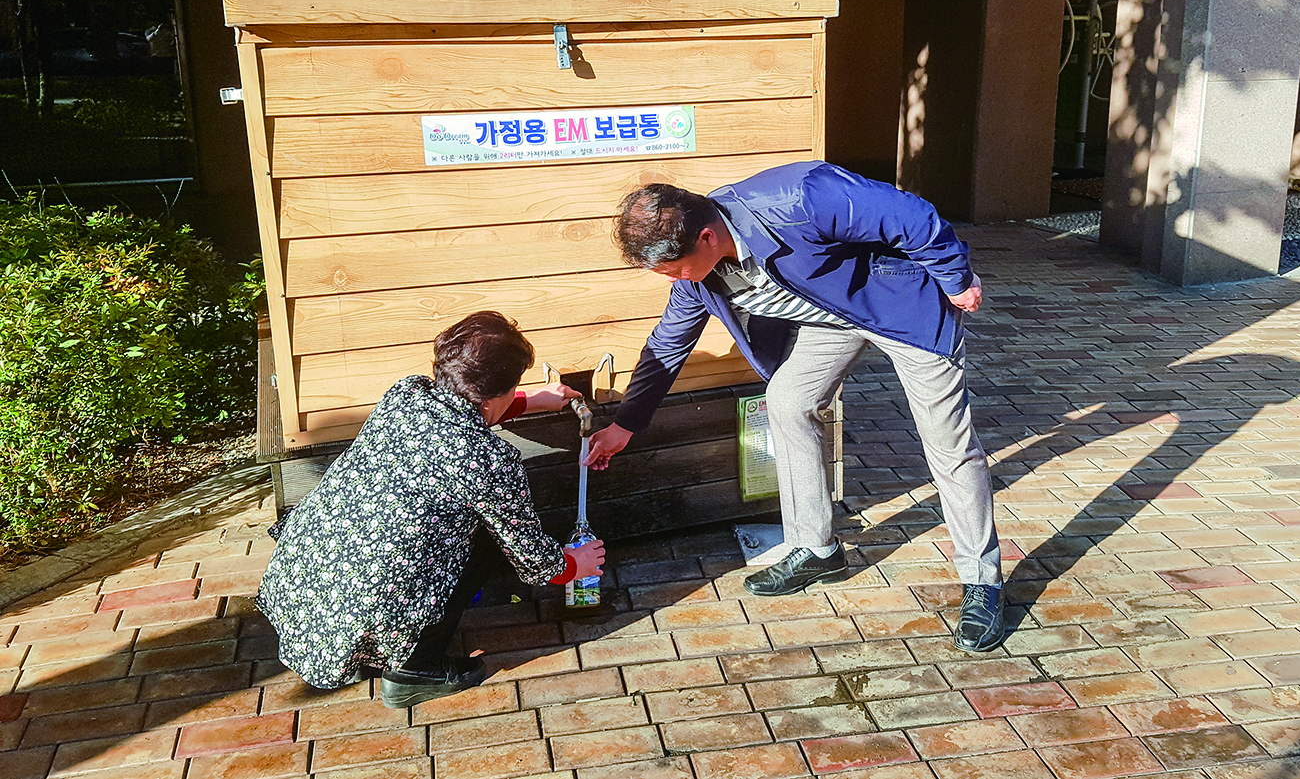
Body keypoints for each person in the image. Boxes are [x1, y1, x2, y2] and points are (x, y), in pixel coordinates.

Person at [585, 161, 1004, 652]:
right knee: (786, 401)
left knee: (948, 445)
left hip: (905, 310)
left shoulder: (801, 197)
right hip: (832, 322)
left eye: (674, 269)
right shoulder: (698, 276)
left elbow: (912, 216)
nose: (675, 280)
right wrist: (625, 426)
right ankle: (815, 547)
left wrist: (956, 279)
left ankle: (983, 580)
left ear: (705, 237)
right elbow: (667, 345)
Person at [257, 311, 606, 707]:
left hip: (310, 580)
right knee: (490, 541)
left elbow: (459, 413)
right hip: (372, 595)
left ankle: (363, 647)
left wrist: (530, 401)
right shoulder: (489, 461)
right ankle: (413, 671)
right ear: (495, 394)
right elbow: (533, 559)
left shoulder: (407, 394)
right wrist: (577, 565)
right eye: (515, 386)